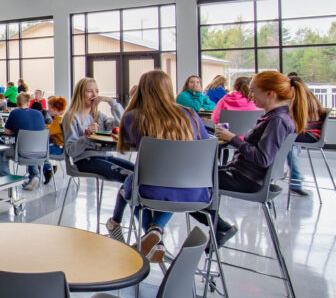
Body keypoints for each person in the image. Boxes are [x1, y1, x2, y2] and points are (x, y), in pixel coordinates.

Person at [104, 71, 212, 262]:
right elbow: (205, 145)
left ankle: (148, 232)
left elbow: (129, 144)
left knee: (132, 190)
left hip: (148, 188)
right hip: (194, 190)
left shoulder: (133, 117)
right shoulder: (190, 114)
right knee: (161, 186)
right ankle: (155, 232)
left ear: (142, 90)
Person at [211, 71, 312, 247]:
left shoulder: (277, 121)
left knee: (190, 183)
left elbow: (262, 158)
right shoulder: (277, 118)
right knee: (195, 179)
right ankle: (219, 226)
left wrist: (232, 138)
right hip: (246, 175)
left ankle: (221, 227)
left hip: (246, 179)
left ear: (270, 93)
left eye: (253, 91)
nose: (250, 96)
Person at [63, 78, 133, 185]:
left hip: (105, 156)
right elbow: (71, 151)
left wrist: (112, 102)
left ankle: (137, 201)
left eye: (97, 91)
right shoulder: (72, 116)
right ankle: (134, 201)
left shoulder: (99, 116)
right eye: (89, 91)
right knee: (128, 176)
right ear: (80, 94)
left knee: (138, 172)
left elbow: (123, 123)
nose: (94, 95)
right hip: (86, 160)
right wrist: (87, 136)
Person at [286, 75, 325, 197]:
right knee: (289, 142)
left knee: (283, 141)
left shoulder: (298, 101)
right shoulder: (312, 98)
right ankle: (294, 179)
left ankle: (294, 182)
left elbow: (293, 123)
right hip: (313, 135)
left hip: (307, 135)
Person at [4, 92, 52, 191]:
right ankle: (34, 176)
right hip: (41, 152)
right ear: (29, 102)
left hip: (22, 152)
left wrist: (17, 130)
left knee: (1, 151)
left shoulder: (14, 113)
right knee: (31, 145)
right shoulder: (38, 113)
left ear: (17, 103)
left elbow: (7, 131)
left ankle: (4, 178)